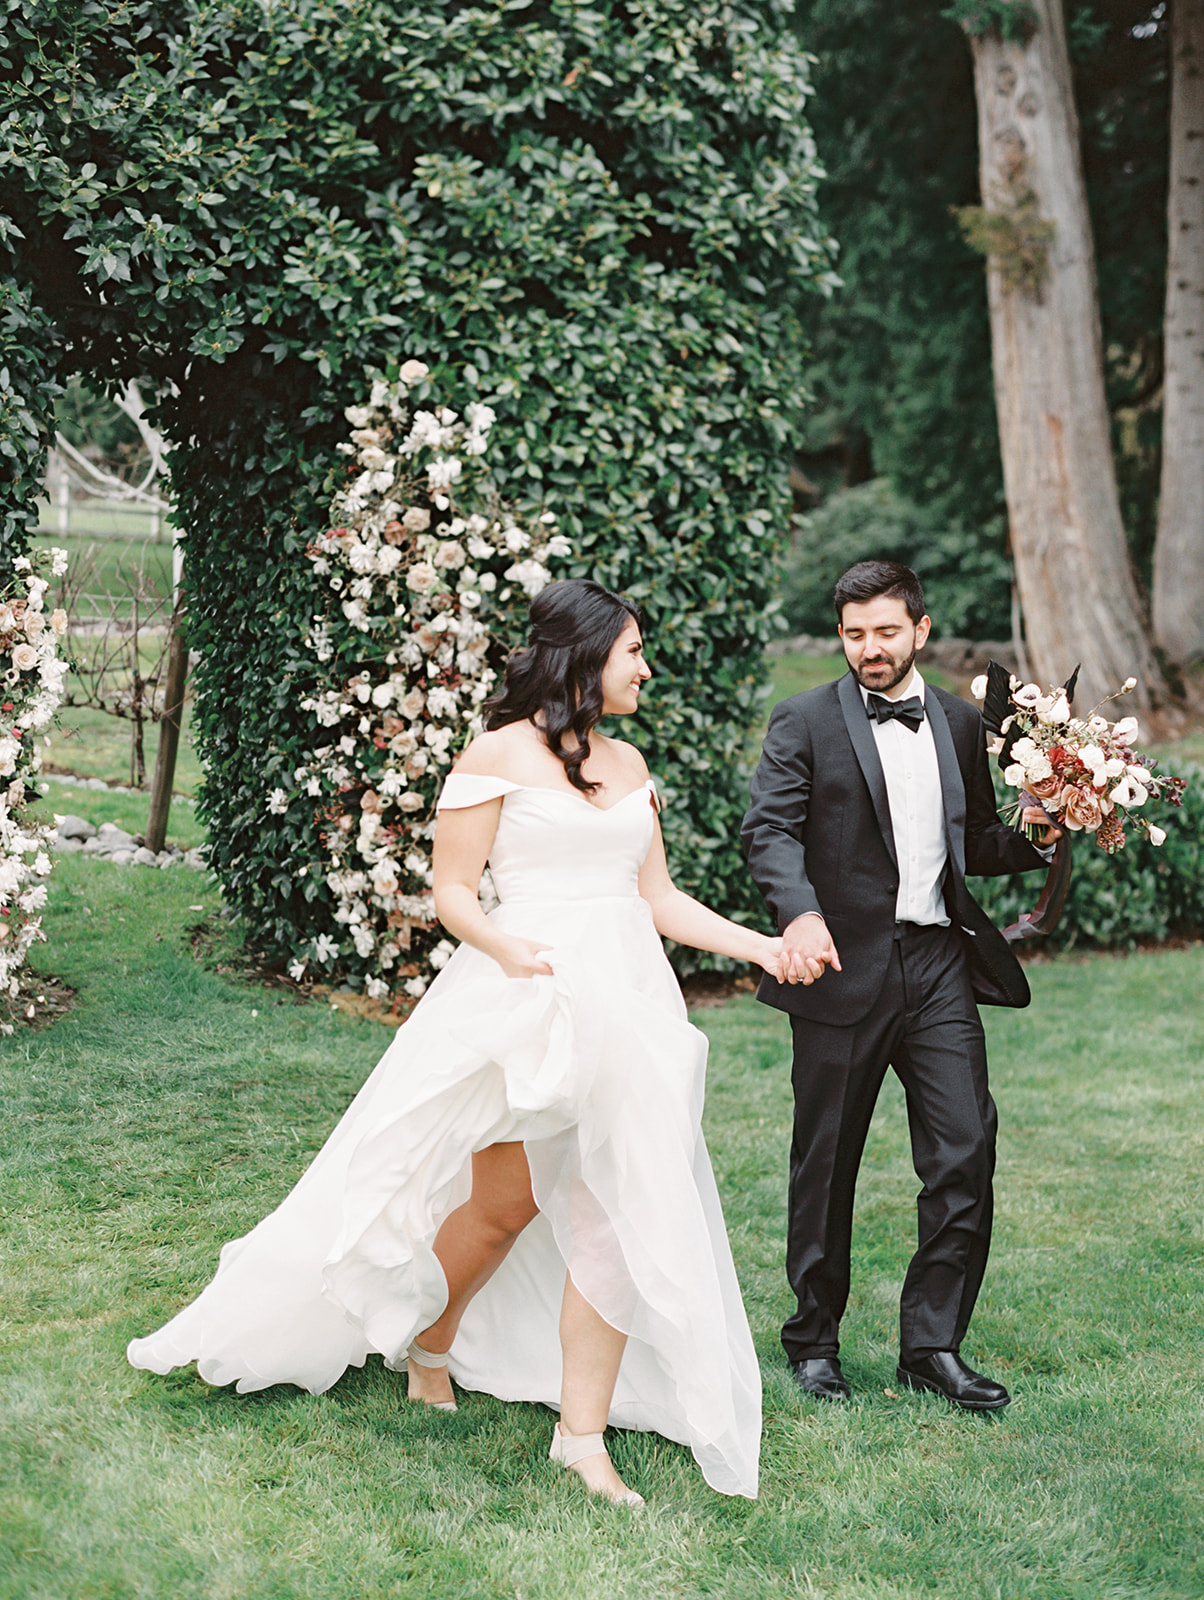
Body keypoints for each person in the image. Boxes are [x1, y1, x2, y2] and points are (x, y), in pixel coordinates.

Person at [129, 578, 781, 1504]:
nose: (646, 668)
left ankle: (581, 1438)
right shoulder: (496, 754)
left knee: (615, 1212)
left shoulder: (630, 764)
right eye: (634, 650)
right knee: (500, 1209)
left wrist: (762, 948)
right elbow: (452, 891)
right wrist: (506, 947)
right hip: (523, 1000)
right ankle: (431, 1344)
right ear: (586, 654)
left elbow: (659, 898)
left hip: (630, 1005)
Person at [741, 560, 1059, 1412]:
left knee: (966, 1148)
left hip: (938, 966)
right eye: (854, 634)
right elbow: (769, 831)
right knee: (826, 1163)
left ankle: (931, 1346)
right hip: (841, 965)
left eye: (885, 631)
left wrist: (1044, 828)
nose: (869, 649)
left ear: (920, 629)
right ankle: (814, 1342)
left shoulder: (957, 720)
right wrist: (800, 914)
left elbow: (975, 839)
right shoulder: (804, 719)